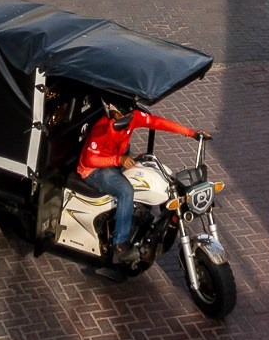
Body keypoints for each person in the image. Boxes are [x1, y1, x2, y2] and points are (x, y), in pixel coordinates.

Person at [76, 103, 200, 260]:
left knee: (159, 176)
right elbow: (89, 160)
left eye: (129, 114)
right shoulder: (101, 129)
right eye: (123, 115)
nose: (128, 118)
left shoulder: (133, 117)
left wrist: (190, 133)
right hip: (94, 170)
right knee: (126, 191)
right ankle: (119, 247)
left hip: (116, 160)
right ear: (112, 110)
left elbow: (157, 122)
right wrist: (118, 160)